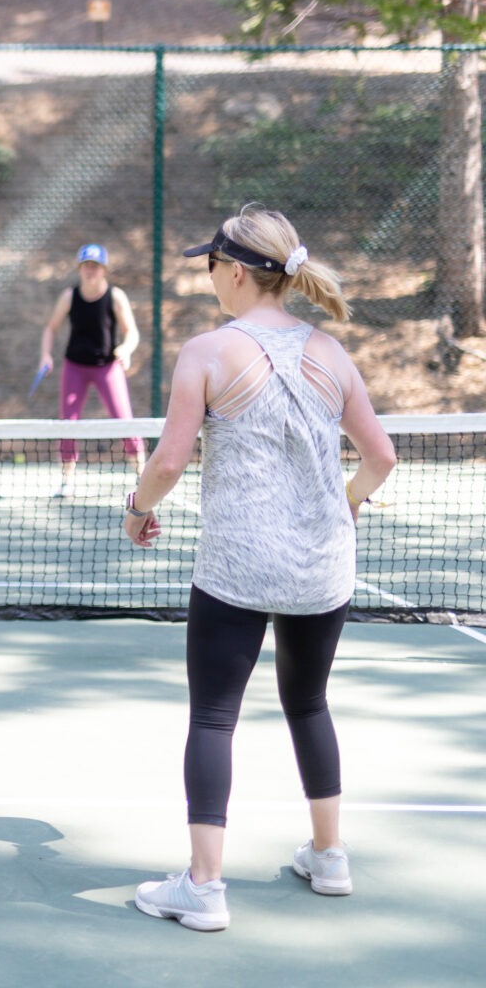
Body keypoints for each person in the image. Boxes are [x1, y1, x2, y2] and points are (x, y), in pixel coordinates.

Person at [122, 205, 396, 931]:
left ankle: (205, 888)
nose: (209, 278)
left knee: (214, 717)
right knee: (310, 704)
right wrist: (347, 505)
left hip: (238, 569)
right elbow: (383, 459)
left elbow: (170, 461)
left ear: (235, 272)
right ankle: (330, 857)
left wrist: (134, 507)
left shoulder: (206, 353)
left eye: (210, 266)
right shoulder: (332, 354)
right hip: (323, 569)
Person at [38, 243, 146, 497]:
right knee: (69, 423)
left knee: (124, 421)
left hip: (107, 368)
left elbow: (132, 332)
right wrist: (45, 354)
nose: (90, 270)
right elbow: (50, 328)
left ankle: (142, 476)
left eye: (95, 266)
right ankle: (66, 481)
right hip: (75, 367)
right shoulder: (69, 297)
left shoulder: (116, 297)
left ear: (103, 270)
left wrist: (126, 349)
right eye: (86, 266)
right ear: (79, 269)